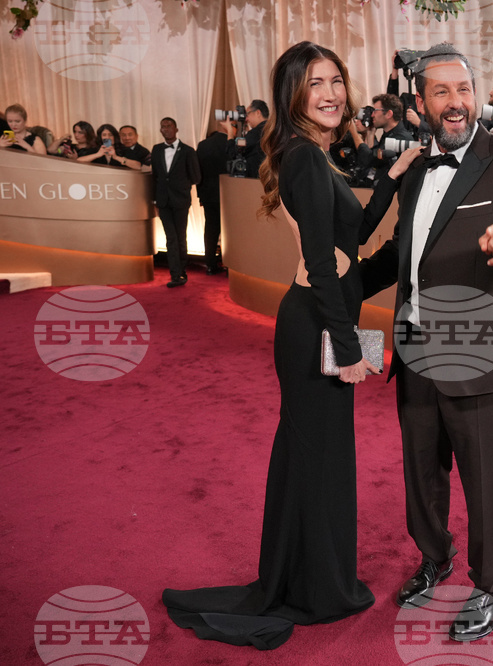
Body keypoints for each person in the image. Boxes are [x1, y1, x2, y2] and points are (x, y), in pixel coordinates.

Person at [161, 41, 421, 650]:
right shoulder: (304, 157)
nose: (331, 93)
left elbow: (349, 240)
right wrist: (348, 344)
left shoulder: (318, 156)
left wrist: (391, 180)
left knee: (319, 459)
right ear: (294, 96)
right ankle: (312, 588)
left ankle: (309, 579)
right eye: (315, 84)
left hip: (319, 321)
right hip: (313, 330)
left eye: (336, 80)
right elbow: (322, 266)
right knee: (317, 458)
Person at [359, 42, 493, 642]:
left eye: (464, 90)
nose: (457, 104)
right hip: (418, 348)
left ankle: (490, 584)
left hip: (482, 350)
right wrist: (338, 289)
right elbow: (404, 252)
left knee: (484, 480)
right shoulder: (415, 170)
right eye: (442, 93)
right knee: (421, 471)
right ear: (421, 102)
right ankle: (433, 556)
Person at [150, 117, 201, 287]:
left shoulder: (188, 151)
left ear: (176, 129)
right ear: (160, 130)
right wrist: (155, 199)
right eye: (162, 126)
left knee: (181, 237)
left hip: (180, 200)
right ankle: (175, 275)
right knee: (170, 238)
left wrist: (181, 186)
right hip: (163, 201)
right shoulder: (157, 150)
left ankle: (182, 271)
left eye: (169, 126)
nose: (166, 129)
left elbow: (196, 177)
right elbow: (155, 176)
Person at [357, 93, 414, 185]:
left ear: (388, 114)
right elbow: (373, 159)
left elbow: (368, 159)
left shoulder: (400, 138)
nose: (372, 115)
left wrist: (353, 133)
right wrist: (370, 134)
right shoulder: (388, 135)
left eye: (375, 111)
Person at [195, 128, 229, 273]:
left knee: (210, 229)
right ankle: (229, 264)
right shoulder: (230, 143)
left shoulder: (202, 145)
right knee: (229, 231)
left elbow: (198, 173)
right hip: (228, 193)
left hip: (208, 194)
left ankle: (210, 263)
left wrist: (200, 196)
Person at [221, 100, 268, 178]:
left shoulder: (256, 133)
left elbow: (234, 152)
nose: (246, 119)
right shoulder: (271, 130)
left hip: (254, 181)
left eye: (248, 114)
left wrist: (230, 131)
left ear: (258, 113)